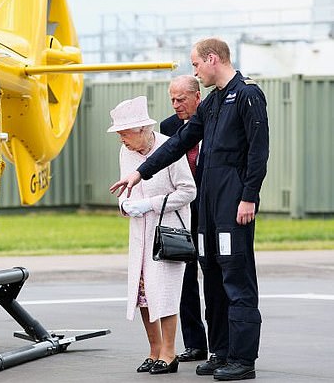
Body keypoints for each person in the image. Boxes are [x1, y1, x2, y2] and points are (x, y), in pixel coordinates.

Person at [110, 38, 269, 381]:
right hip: (208, 206)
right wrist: (139, 172)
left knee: (236, 279)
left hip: (233, 203)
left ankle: (243, 359)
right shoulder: (211, 104)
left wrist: (249, 196)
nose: (194, 71)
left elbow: (258, 151)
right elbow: (178, 143)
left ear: (213, 59)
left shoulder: (247, 95)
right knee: (211, 278)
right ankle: (220, 351)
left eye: (196, 64)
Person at [107, 95, 196, 375]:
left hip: (167, 232)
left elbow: (188, 191)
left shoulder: (170, 148)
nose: (122, 139)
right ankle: (154, 350)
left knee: (165, 293)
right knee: (143, 293)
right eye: (119, 134)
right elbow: (126, 188)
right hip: (140, 234)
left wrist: (151, 204)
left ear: (143, 129)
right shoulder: (126, 152)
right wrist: (125, 205)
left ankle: (169, 354)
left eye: (125, 133)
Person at [161, 75, 208, 363]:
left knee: (214, 278)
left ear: (197, 97)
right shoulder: (168, 127)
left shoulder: (212, 122)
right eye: (172, 100)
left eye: (181, 99)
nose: (176, 105)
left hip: (211, 207)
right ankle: (195, 344)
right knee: (185, 279)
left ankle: (221, 344)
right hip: (182, 211)